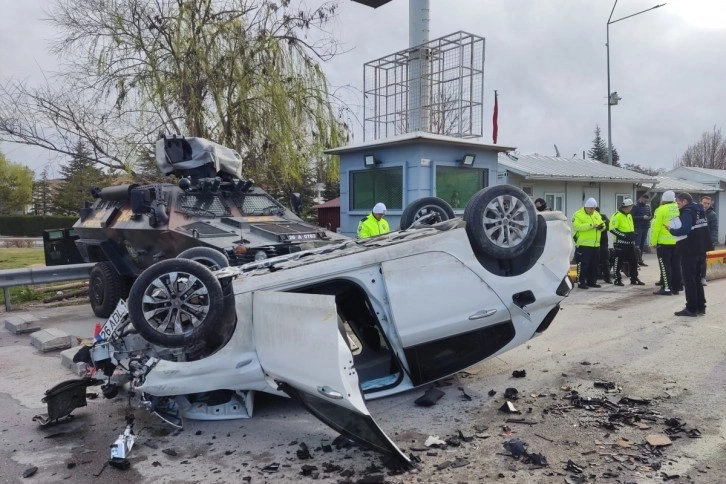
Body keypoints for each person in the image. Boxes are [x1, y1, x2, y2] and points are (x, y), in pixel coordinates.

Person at [668, 192, 710, 317]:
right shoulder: (700, 210)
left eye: (678, 202)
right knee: (697, 278)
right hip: (701, 249)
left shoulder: (687, 212)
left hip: (689, 250)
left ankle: (691, 308)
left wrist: (671, 230)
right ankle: (701, 306)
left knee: (689, 280)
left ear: (685, 201)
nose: (677, 205)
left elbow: (684, 230)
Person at [650, 191, 681, 296]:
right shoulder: (679, 208)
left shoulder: (660, 210)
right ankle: (676, 287)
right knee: (676, 265)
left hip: (664, 243)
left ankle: (667, 288)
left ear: (663, 199)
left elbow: (655, 227)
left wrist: (653, 242)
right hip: (677, 241)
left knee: (665, 266)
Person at [571, 197, 606, 289]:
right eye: (591, 208)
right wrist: (591, 225)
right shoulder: (578, 214)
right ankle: (581, 282)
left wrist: (601, 227)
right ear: (586, 207)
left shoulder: (596, 214)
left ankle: (592, 282)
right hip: (583, 245)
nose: (592, 210)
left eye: (594, 208)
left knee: (594, 265)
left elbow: (603, 225)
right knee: (583, 265)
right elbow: (576, 226)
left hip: (595, 244)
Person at [610, 198, 644, 286]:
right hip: (620, 243)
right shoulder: (616, 215)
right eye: (631, 206)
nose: (632, 208)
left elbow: (629, 227)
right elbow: (612, 229)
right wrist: (624, 235)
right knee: (618, 261)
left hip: (630, 243)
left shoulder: (629, 215)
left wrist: (633, 234)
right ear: (627, 207)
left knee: (634, 261)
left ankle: (634, 278)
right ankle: (617, 279)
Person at [700, 195, 718, 286]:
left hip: (706, 241)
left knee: (703, 260)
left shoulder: (712, 214)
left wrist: (712, 240)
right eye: (704, 203)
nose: (706, 205)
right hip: (696, 240)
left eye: (708, 203)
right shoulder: (697, 212)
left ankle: (703, 277)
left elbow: (714, 229)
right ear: (701, 202)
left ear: (710, 204)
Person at [632, 194, 652, 266]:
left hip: (645, 227)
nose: (645, 202)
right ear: (641, 198)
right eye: (644, 201)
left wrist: (649, 217)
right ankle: (635, 260)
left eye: (647, 201)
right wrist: (642, 217)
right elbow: (632, 217)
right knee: (637, 244)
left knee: (642, 244)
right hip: (638, 227)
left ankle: (640, 260)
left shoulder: (647, 207)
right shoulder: (635, 207)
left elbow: (650, 215)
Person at [595, 207, 612, 284]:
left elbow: (610, 226)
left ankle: (607, 278)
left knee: (605, 261)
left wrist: (603, 228)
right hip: (594, 243)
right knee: (594, 261)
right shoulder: (590, 218)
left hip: (603, 243)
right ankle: (594, 277)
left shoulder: (603, 217)